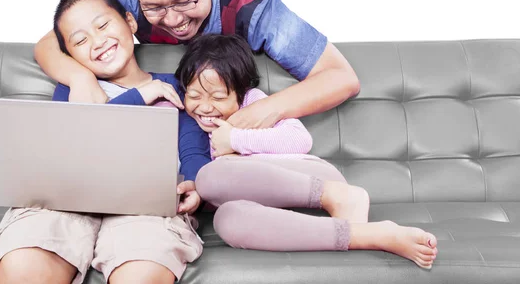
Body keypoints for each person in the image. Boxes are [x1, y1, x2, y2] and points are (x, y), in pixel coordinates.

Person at [34, 0, 360, 130]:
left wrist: (268, 109)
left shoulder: (251, 1)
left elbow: (340, 77)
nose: (174, 20)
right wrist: (79, 76)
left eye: (186, 1)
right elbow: (51, 42)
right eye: (155, 9)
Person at [0, 0, 211, 284]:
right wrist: (138, 97)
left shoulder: (173, 87)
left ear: (130, 22)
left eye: (103, 25)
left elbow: (193, 149)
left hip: (149, 208)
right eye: (80, 40)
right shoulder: (72, 89)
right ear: (69, 54)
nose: (97, 41)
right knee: (25, 261)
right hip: (65, 202)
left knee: (143, 265)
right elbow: (80, 141)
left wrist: (196, 182)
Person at [175, 34, 439, 269]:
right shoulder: (191, 127)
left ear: (241, 92)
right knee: (227, 220)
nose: (205, 107)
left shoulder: (252, 103)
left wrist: (235, 139)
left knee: (211, 176)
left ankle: (335, 196)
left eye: (218, 97)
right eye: (194, 96)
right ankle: (369, 235)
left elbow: (298, 140)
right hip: (281, 212)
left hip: (312, 180)